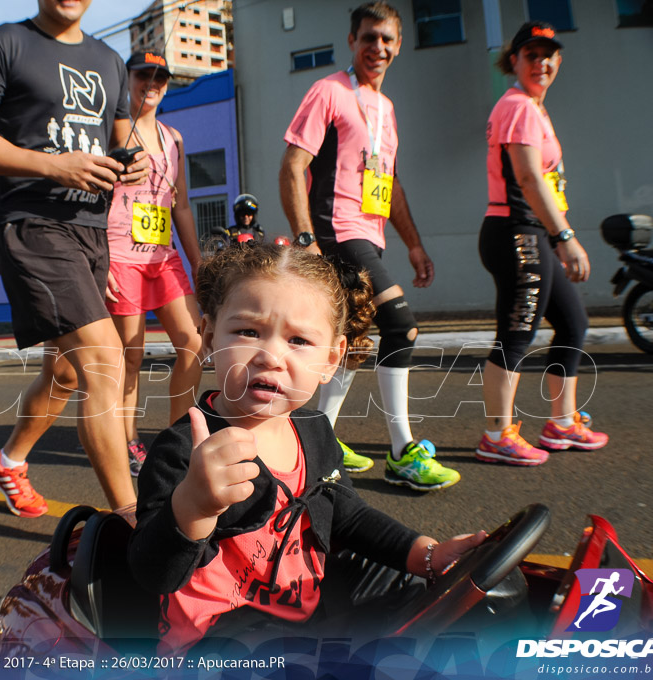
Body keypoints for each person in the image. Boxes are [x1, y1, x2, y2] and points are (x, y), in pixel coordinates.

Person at [127, 243, 486, 650]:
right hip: (219, 638)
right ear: (210, 336)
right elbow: (151, 573)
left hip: (306, 613)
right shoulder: (185, 449)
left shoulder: (315, 430)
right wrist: (193, 506)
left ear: (331, 359)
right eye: (248, 332)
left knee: (459, 603)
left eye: (298, 340)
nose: (271, 357)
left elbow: (346, 517)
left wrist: (428, 554)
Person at [0, 0, 149, 516]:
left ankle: (8, 461)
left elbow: (121, 140)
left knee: (64, 372)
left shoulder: (108, 60)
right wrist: (53, 167)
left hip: (91, 231)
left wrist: (133, 164)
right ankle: (132, 526)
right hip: (33, 223)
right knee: (104, 360)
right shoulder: (3, 44)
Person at [278, 1, 459, 490]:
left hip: (369, 234)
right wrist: (305, 239)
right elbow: (293, 166)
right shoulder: (329, 92)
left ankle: (318, 443)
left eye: (387, 39)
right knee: (401, 323)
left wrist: (415, 246)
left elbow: (390, 184)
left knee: (352, 341)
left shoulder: (387, 109)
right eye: (368, 38)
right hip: (335, 230)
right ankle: (402, 451)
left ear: (398, 46)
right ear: (352, 43)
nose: (377, 47)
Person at [475, 21, 608, 465]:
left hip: (533, 233)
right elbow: (530, 178)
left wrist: (555, 236)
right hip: (516, 231)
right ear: (514, 60)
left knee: (572, 323)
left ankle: (562, 422)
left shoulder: (534, 107)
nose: (542, 62)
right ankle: (497, 434)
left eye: (549, 55)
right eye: (531, 55)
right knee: (517, 334)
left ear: (559, 60)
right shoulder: (518, 106)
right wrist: (565, 237)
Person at [105, 52, 204, 475]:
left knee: (195, 342)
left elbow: (180, 205)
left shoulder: (174, 138)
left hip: (163, 257)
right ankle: (127, 441)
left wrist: (198, 263)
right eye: (143, 74)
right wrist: (99, 259)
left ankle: (177, 437)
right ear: (128, 79)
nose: (152, 82)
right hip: (120, 254)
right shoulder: (113, 127)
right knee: (131, 354)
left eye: (160, 76)